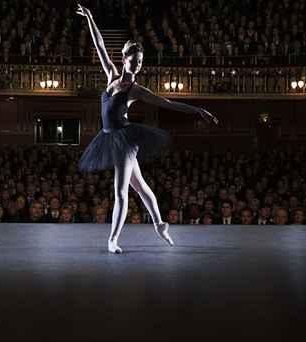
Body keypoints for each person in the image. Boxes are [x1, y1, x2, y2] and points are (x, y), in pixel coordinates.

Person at [75, 3, 218, 254]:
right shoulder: (111, 75)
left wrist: (197, 110)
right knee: (140, 186)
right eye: (135, 60)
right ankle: (160, 224)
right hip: (109, 137)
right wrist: (90, 18)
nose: (139, 65)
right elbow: (99, 46)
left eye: (141, 61)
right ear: (124, 59)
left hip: (124, 139)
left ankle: (113, 240)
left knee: (121, 192)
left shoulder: (137, 90)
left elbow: (168, 103)